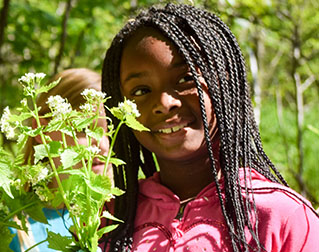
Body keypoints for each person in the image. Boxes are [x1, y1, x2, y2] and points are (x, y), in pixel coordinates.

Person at [99, 3, 319, 252]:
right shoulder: (111, 218)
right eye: (141, 91)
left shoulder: (281, 215)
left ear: (225, 84)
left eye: (186, 79)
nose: (164, 103)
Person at [9, 68, 109, 252]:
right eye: (84, 129)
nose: (103, 146)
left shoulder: (129, 212)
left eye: (109, 129)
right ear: (43, 131)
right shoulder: (18, 228)